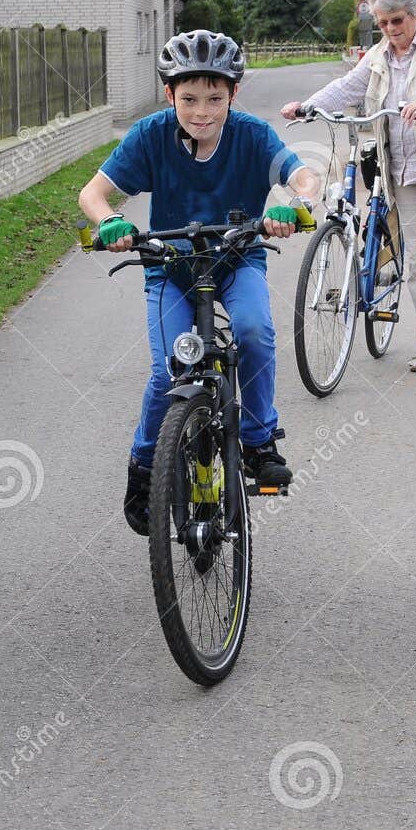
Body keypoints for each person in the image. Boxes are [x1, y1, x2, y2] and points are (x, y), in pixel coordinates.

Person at [79, 30, 320, 536]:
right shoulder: (150, 135)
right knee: (170, 371)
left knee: (254, 332)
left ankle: (257, 441)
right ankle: (145, 467)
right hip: (170, 267)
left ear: (234, 93)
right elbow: (93, 195)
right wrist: (108, 223)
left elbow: (305, 177)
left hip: (236, 260)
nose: (202, 111)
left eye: (215, 98)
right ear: (170, 95)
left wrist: (293, 204)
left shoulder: (252, 136)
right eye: (188, 99)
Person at [281, 0, 416, 379]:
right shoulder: (377, 56)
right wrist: (307, 106)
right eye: (383, 23)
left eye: (397, 20)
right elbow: (347, 88)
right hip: (406, 174)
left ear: (415, 15)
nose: (391, 29)